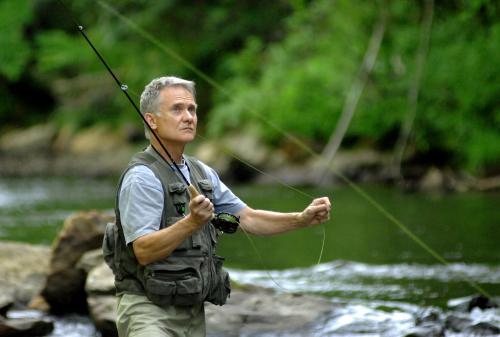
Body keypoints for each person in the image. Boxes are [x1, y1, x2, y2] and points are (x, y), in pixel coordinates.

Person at [103, 76, 332, 337]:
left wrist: (300, 219)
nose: (188, 117)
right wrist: (191, 222)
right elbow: (143, 250)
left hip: (192, 311)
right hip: (146, 311)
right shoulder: (142, 177)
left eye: (192, 109)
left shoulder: (202, 173)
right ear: (151, 120)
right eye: (177, 109)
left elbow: (249, 218)